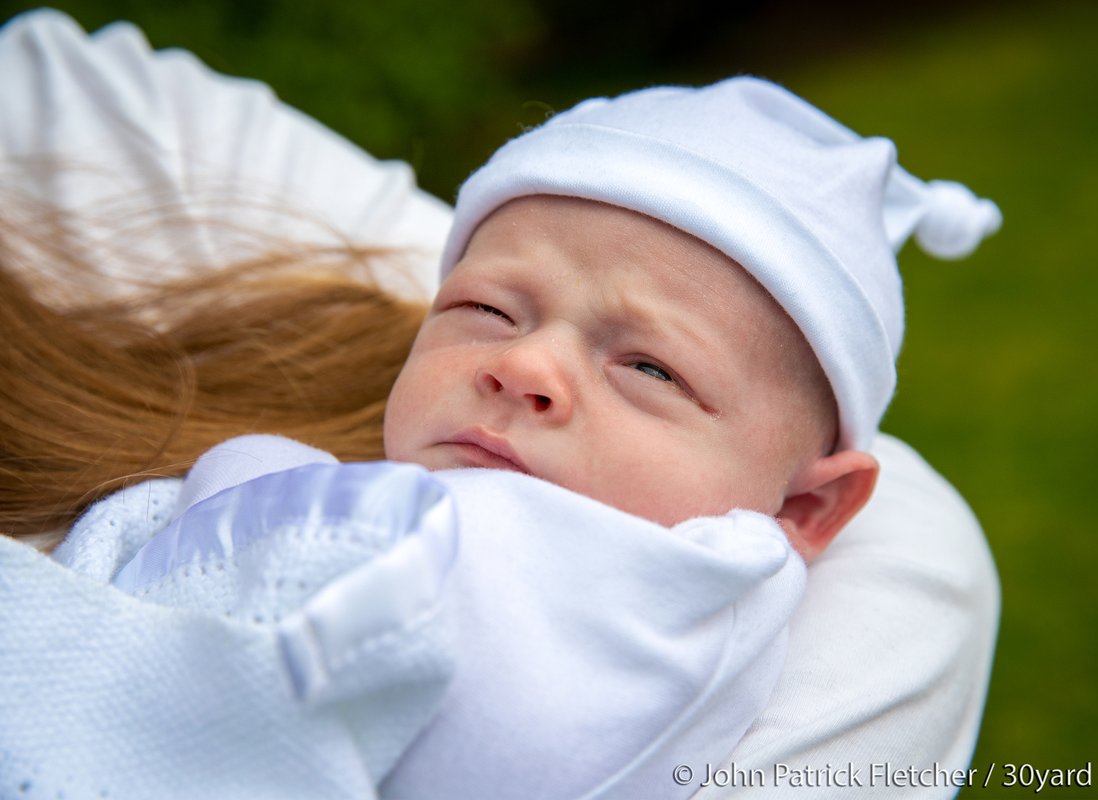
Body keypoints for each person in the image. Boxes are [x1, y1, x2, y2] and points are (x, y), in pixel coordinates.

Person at [0, 9, 1002, 800]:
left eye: (651, 368)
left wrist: (246, 475)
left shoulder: (649, 608)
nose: (526, 365)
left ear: (807, 510)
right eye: (484, 306)